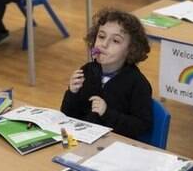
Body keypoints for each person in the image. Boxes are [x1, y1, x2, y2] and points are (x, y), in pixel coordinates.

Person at [61, 8, 153, 139]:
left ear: (131, 49)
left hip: (117, 148)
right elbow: (68, 116)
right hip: (85, 141)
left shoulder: (138, 84)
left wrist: (107, 113)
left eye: (115, 41)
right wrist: (72, 93)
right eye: (101, 36)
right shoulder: (87, 71)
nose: (104, 44)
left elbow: (141, 127)